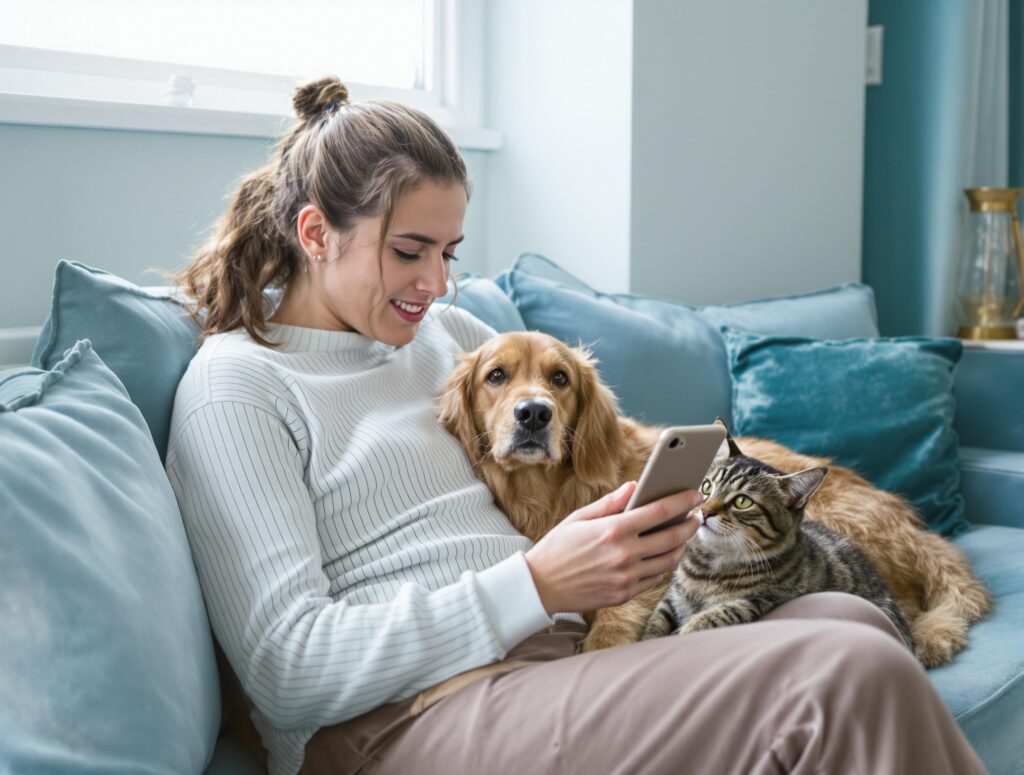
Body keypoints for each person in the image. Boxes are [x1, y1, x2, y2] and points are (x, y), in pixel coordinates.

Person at [164, 76, 988, 775]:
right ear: (315, 233)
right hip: (409, 719)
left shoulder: (440, 338)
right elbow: (286, 671)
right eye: (410, 250)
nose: (435, 283)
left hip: (555, 655)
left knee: (849, 619)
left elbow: (570, 455)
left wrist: (632, 533)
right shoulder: (239, 386)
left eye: (449, 253)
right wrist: (538, 584)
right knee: (846, 670)